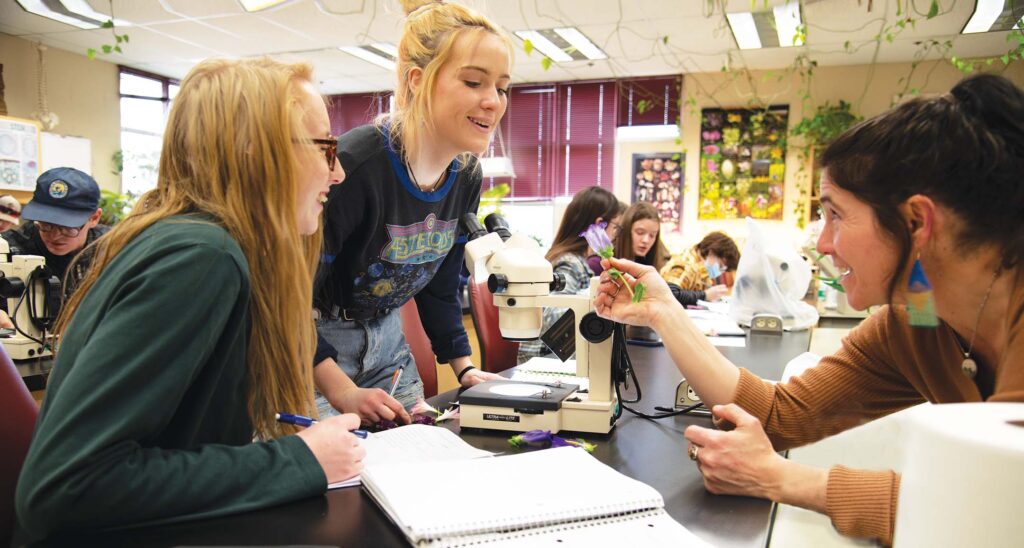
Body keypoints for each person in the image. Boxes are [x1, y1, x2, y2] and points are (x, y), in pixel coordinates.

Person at [592, 73, 1024, 546]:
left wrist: (781, 479)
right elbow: (778, 416)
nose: (821, 243)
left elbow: (995, 505)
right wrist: (663, 311)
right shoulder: (917, 321)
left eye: (835, 214)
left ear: (916, 221)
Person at [14, 58, 359, 543]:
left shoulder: (195, 242)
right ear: (252, 151)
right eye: (324, 148)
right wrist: (298, 459)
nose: (338, 172)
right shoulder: (202, 258)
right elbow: (66, 488)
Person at [312, 0, 512, 423]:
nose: (493, 101)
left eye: (502, 87)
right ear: (418, 80)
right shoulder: (355, 166)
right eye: (475, 82)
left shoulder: (466, 174)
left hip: (389, 347)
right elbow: (286, 299)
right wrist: (343, 391)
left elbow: (439, 282)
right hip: (316, 351)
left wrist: (465, 367)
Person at [517, 186, 623, 362]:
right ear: (599, 225)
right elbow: (552, 317)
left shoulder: (575, 260)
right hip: (546, 362)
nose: (614, 235)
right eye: (615, 227)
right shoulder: (569, 263)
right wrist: (594, 301)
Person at [660, 231, 740, 302]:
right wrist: (704, 295)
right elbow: (670, 293)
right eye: (720, 266)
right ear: (711, 252)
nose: (719, 273)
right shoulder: (684, 264)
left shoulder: (703, 273)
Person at [611, 201, 670, 272]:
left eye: (652, 235)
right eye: (640, 232)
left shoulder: (662, 265)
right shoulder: (605, 261)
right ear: (627, 230)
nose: (646, 240)